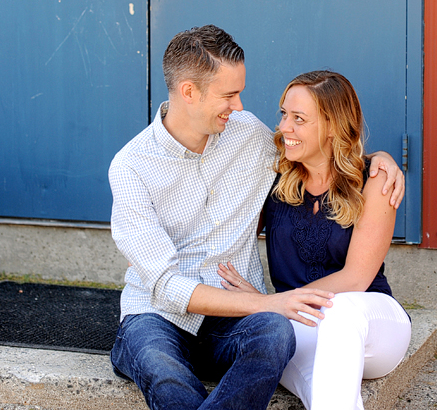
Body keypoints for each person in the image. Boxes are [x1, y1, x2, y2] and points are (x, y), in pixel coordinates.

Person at [108, 26, 405, 410]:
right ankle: (134, 352)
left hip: (236, 321)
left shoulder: (247, 134)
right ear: (189, 92)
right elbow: (166, 287)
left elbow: (317, 150)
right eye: (229, 95)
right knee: (164, 373)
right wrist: (269, 302)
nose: (240, 106)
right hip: (158, 316)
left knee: (275, 334)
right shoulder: (131, 167)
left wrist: (378, 160)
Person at [218, 70, 412, 410]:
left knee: (339, 316)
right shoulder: (275, 179)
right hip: (300, 325)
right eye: (283, 114)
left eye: (298, 119)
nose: (283, 127)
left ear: (332, 126)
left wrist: (273, 302)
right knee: (325, 397)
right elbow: (221, 226)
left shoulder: (374, 179)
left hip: (370, 324)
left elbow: (356, 278)